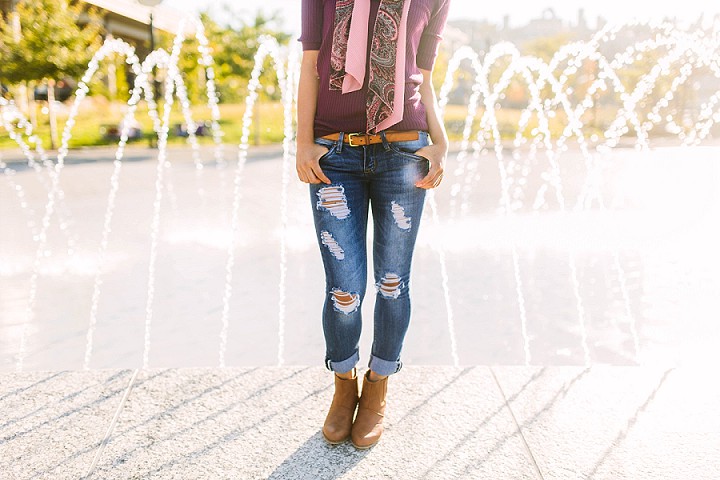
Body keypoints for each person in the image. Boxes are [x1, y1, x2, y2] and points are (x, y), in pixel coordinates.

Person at [296, 0, 451, 449]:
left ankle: (379, 383)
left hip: (404, 154)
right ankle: (344, 382)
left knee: (391, 282)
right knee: (343, 287)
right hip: (334, 154)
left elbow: (425, 78)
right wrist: (304, 142)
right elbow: (309, 68)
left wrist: (441, 142)